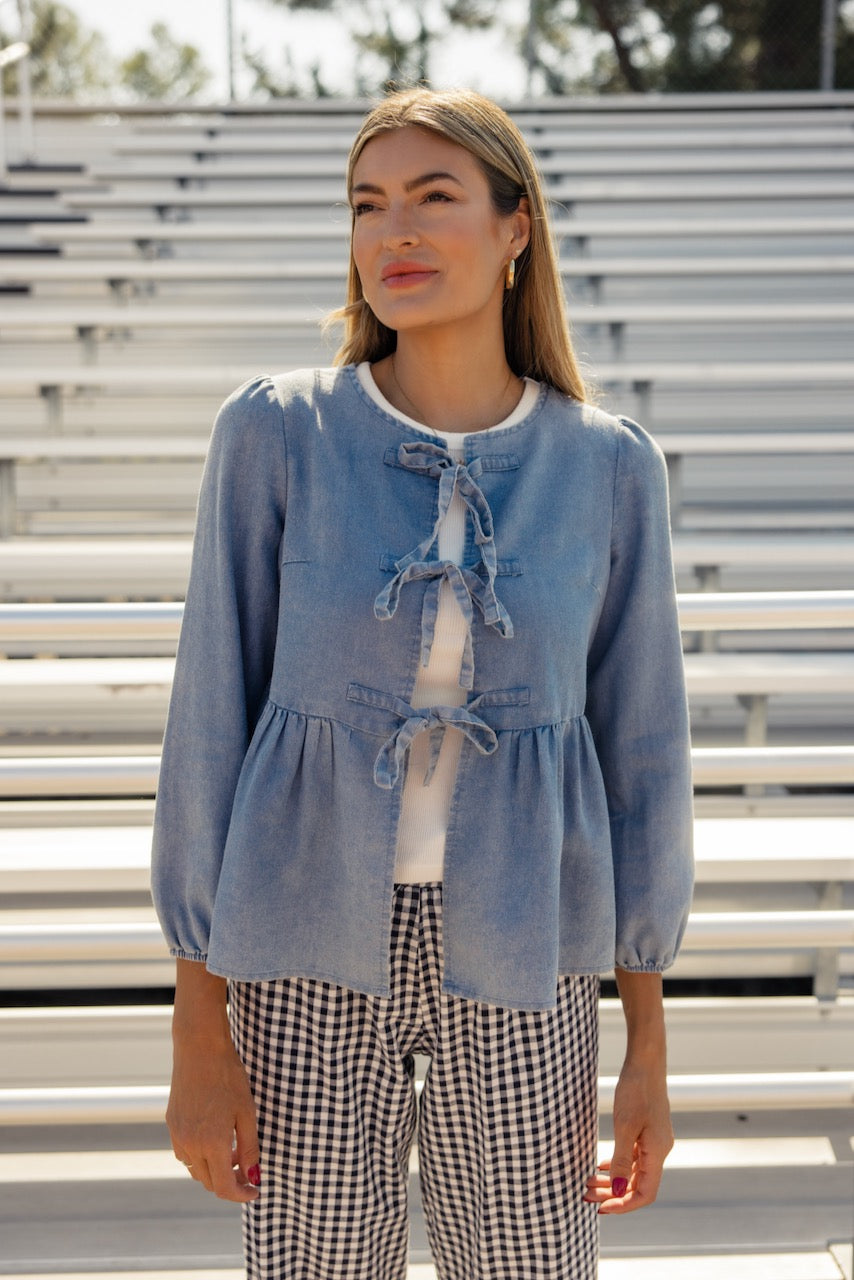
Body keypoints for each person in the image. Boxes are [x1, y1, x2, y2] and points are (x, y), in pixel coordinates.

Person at [151, 86, 694, 1280]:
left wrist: (646, 1039)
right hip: (299, 940)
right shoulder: (276, 431)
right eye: (367, 204)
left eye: (432, 197)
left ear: (514, 230)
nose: (392, 229)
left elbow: (643, 754)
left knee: (524, 1267)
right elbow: (207, 724)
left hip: (526, 944)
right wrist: (197, 1022)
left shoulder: (607, 468)